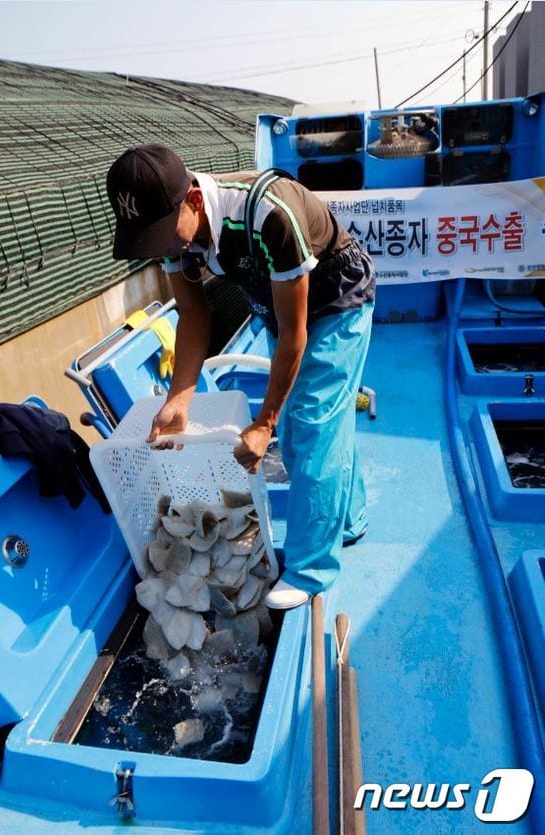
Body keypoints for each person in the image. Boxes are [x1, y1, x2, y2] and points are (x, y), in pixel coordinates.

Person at [106, 143, 375, 610]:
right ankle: (348, 519)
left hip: (335, 298)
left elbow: (296, 334)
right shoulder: (179, 237)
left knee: (309, 423)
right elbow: (192, 315)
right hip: (276, 305)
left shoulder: (268, 212)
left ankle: (312, 570)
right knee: (312, 428)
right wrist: (179, 400)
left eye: (165, 237)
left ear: (191, 200)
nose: (166, 250)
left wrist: (264, 422)